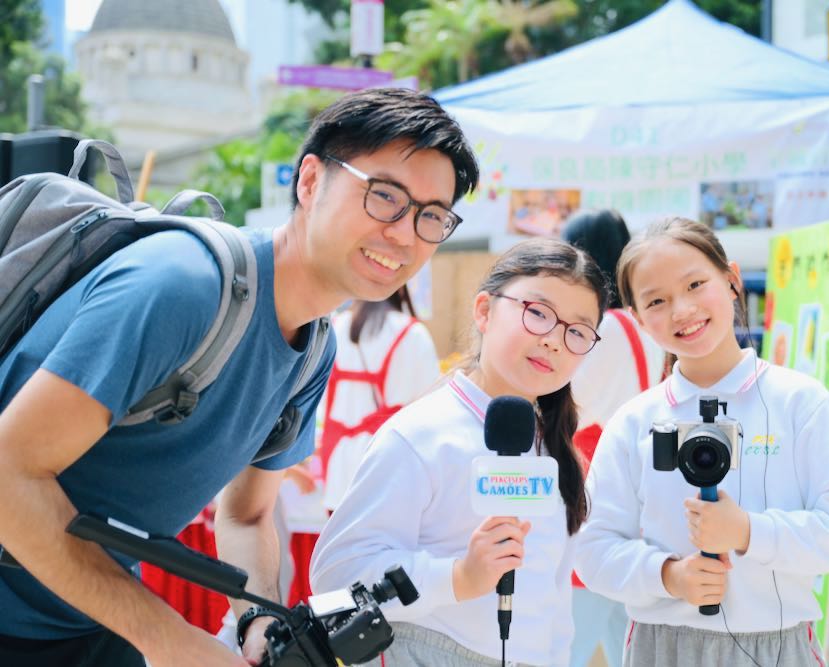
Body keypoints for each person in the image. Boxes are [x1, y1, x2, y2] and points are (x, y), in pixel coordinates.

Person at [0, 88, 478, 667]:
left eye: (432, 217)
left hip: (84, 621)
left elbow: (247, 514)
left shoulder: (312, 347)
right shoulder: (182, 287)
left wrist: (262, 619)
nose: (405, 234)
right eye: (384, 197)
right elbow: (9, 473)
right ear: (309, 181)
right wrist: (168, 636)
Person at [574, 217, 829, 666]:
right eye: (657, 300)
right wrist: (669, 576)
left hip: (777, 645)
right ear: (636, 318)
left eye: (695, 284)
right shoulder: (634, 421)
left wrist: (749, 531)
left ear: (731, 281)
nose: (682, 310)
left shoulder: (799, 402)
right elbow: (592, 551)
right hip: (662, 647)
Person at [310, 238, 610, 666]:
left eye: (577, 331)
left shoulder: (555, 454)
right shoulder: (420, 436)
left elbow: (554, 601)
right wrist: (457, 577)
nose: (554, 341)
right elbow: (337, 573)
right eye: (538, 313)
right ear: (485, 311)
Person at [284, 285, 440, 605]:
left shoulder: (334, 327)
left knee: (340, 568)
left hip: (339, 463)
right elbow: (431, 415)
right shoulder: (411, 334)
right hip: (389, 468)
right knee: (385, 574)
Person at [560, 209, 664, 667]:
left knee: (567, 641)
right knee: (625, 635)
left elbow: (570, 411)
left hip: (589, 486)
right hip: (630, 487)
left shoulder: (600, 330)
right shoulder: (642, 324)